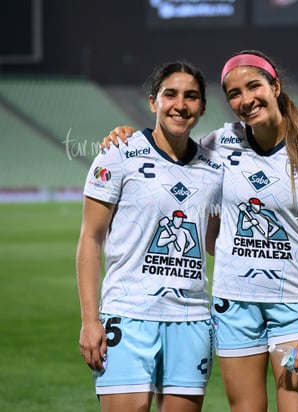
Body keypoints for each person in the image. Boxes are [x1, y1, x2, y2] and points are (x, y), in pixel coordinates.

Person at [101, 49, 298, 412]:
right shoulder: (220, 144)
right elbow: (169, 153)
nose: (246, 100)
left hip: (295, 308)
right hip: (234, 305)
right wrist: (125, 135)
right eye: (234, 93)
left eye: (254, 86)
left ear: (274, 86)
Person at [76, 60, 223, 412]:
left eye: (191, 97)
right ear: (153, 101)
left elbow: (214, 243)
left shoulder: (216, 168)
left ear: (201, 107)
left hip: (191, 319)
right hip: (128, 315)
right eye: (170, 94)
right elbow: (90, 240)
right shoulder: (118, 153)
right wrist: (89, 320)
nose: (180, 104)